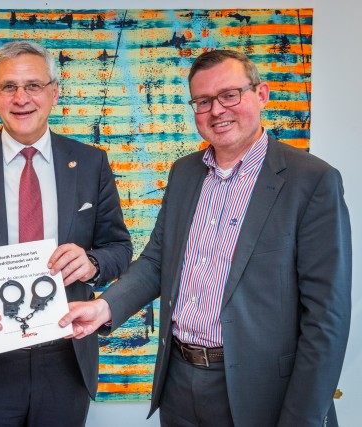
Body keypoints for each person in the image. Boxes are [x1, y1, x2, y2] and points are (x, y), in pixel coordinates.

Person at [59, 49, 352, 427]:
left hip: (261, 392)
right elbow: (156, 261)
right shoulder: (185, 172)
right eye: (203, 101)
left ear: (261, 94)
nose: (217, 110)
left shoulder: (311, 181)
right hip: (178, 382)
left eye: (230, 95)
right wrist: (104, 308)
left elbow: (326, 318)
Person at [0, 40, 132, 427]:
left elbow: (119, 247)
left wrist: (91, 262)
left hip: (66, 356)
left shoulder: (90, 163)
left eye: (33, 85)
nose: (21, 98)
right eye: (9, 87)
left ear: (54, 92)